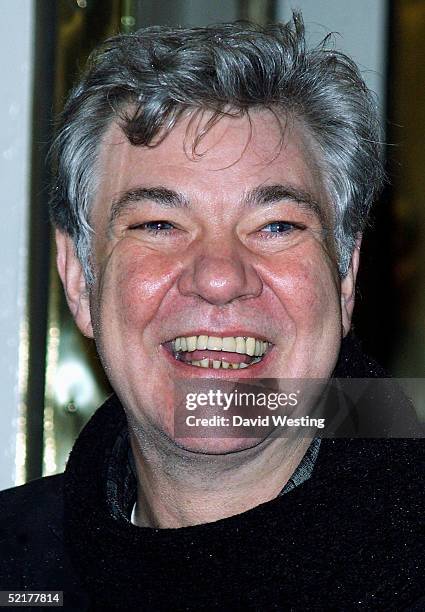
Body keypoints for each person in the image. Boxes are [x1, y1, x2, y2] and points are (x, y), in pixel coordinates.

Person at [0, 12, 423, 611]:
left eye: (276, 226)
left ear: (347, 274)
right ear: (77, 277)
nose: (220, 278)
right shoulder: (16, 566)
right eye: (159, 224)